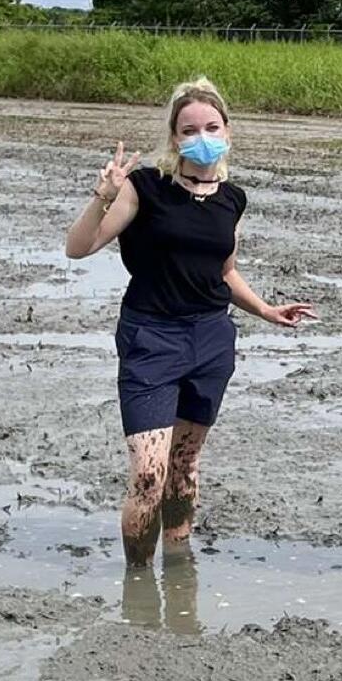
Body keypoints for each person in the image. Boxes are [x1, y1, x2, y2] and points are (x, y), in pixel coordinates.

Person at [64, 77, 314, 565]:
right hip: (151, 337)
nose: (201, 136)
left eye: (211, 126)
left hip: (211, 339)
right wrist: (102, 197)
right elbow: (79, 248)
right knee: (148, 474)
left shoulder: (232, 199)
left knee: (184, 465)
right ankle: (137, 586)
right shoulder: (144, 189)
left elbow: (224, 271)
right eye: (189, 129)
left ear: (228, 131)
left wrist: (264, 308)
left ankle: (179, 568)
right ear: (174, 138)